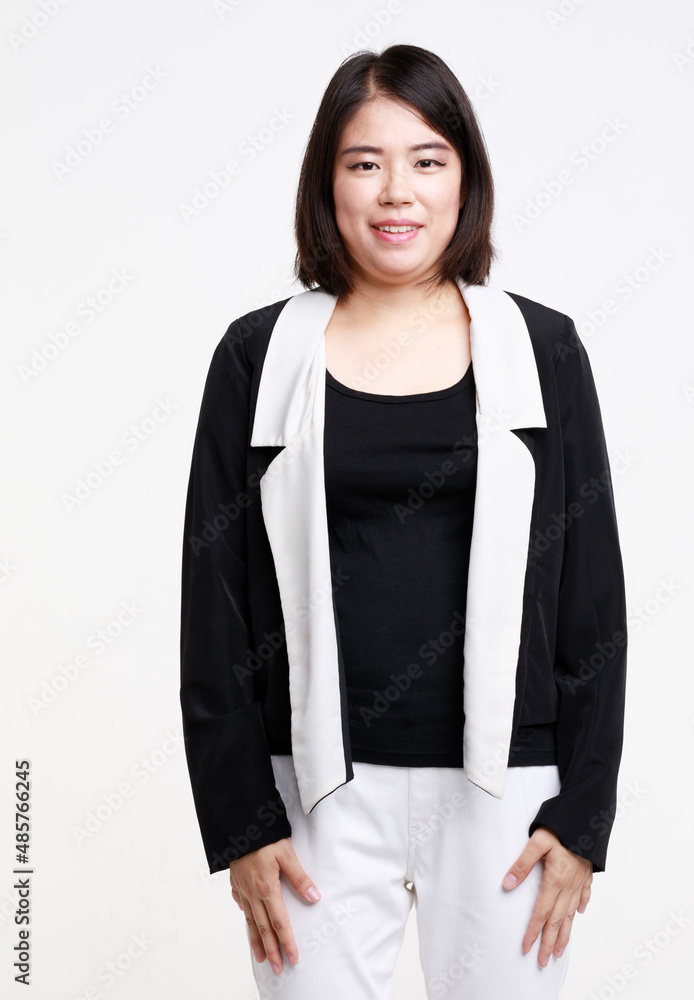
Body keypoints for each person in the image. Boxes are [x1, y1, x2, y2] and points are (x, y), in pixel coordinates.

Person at [179, 43, 628, 1000]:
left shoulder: (542, 349)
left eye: (427, 160)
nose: (397, 192)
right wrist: (242, 820)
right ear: (326, 183)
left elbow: (592, 596)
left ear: (465, 180)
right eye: (364, 162)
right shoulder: (257, 356)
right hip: (311, 793)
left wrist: (584, 814)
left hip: (508, 795)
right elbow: (212, 605)